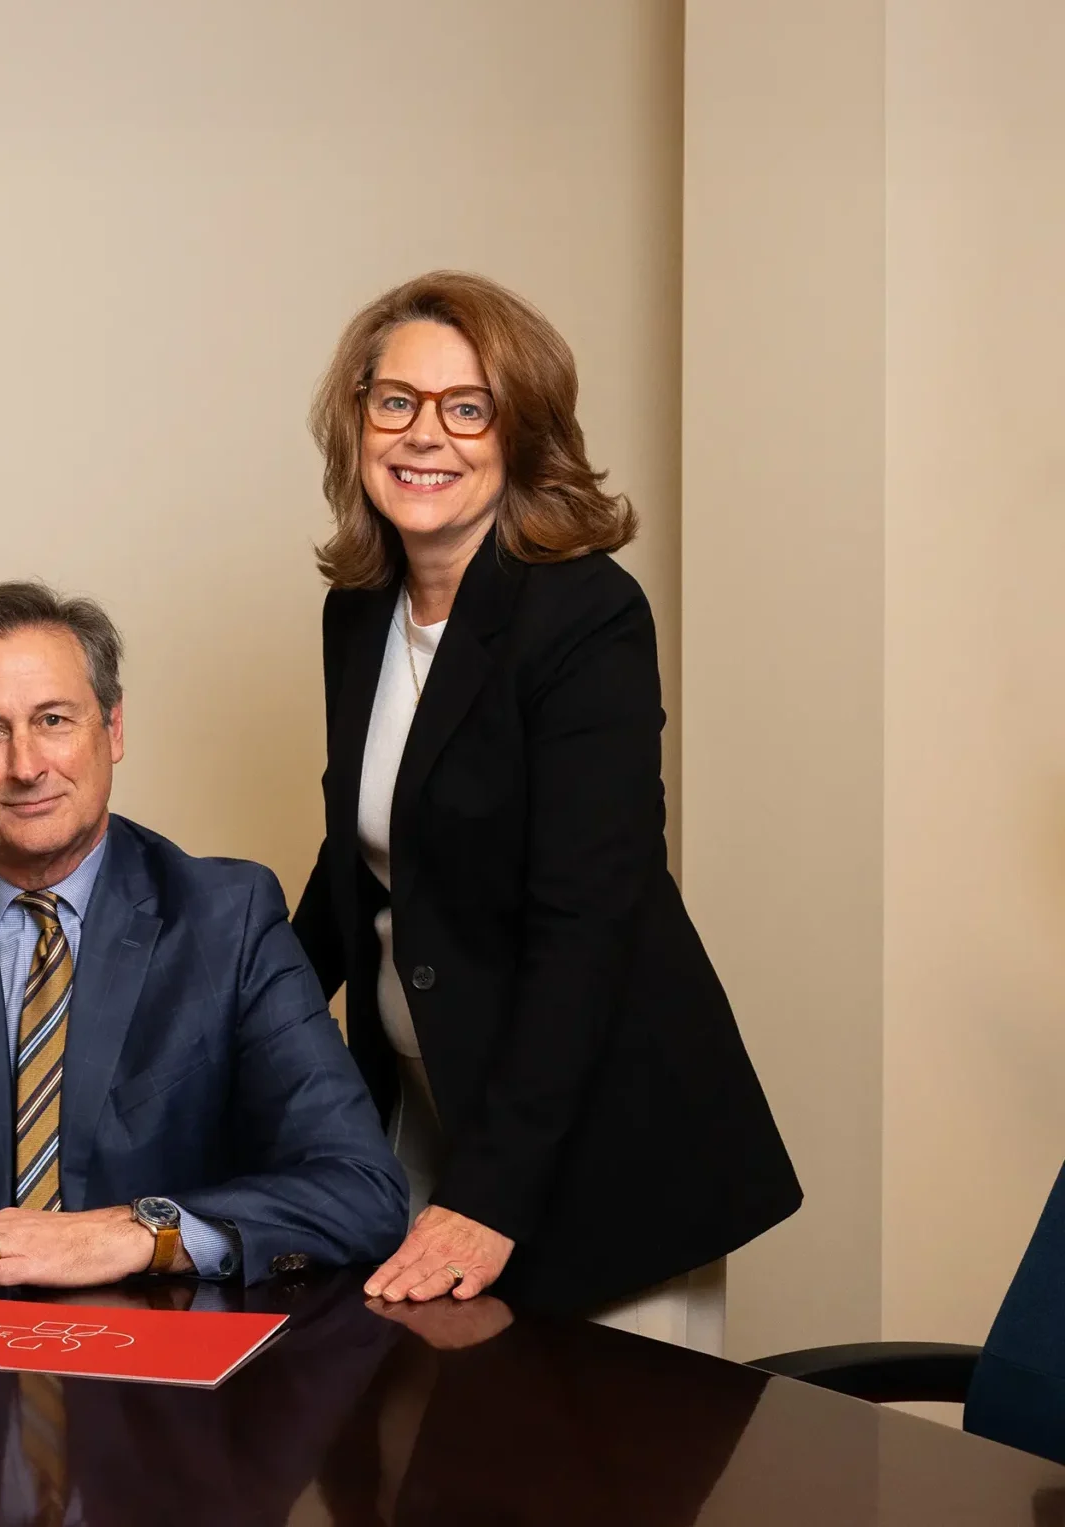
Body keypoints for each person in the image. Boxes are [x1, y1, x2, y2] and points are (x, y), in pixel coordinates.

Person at [290, 270, 799, 1343]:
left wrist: (488, 1199)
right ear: (355, 418)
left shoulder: (586, 617)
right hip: (427, 1107)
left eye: (466, 408)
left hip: (599, 1135)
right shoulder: (358, 613)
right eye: (395, 401)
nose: (425, 435)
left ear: (520, 434)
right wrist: (233, 1034)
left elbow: (587, 924)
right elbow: (358, 866)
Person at [0, 582, 408, 1299]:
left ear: (112, 730)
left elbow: (359, 1188)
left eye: (53, 719)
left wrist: (136, 1230)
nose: (25, 764)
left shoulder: (225, 920)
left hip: (160, 1374)